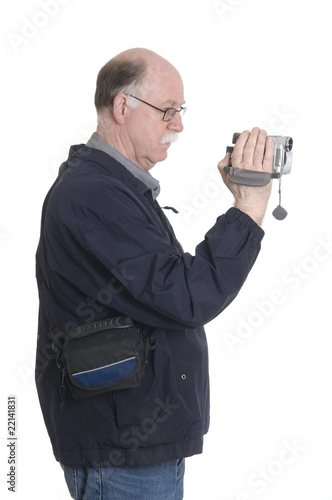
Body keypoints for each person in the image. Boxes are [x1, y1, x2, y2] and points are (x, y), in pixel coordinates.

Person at [35, 48, 274, 500]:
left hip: (133, 440)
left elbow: (164, 289)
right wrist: (247, 209)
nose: (179, 126)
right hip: (123, 449)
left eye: (180, 112)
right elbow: (187, 295)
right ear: (123, 106)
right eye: (168, 111)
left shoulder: (115, 189)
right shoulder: (95, 195)